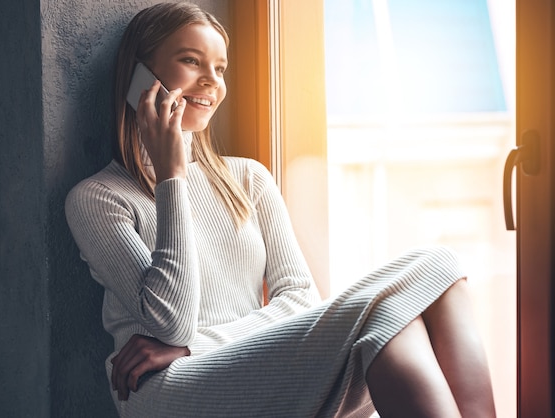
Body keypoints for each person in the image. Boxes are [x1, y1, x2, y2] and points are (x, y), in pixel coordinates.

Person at [65, 2, 496, 417]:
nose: (212, 81)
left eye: (220, 68)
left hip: (237, 360)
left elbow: (300, 300)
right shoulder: (99, 198)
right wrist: (171, 177)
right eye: (192, 61)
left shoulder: (248, 178)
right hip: (168, 386)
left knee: (431, 274)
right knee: (414, 287)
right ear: (140, 78)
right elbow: (171, 323)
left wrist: (201, 343)